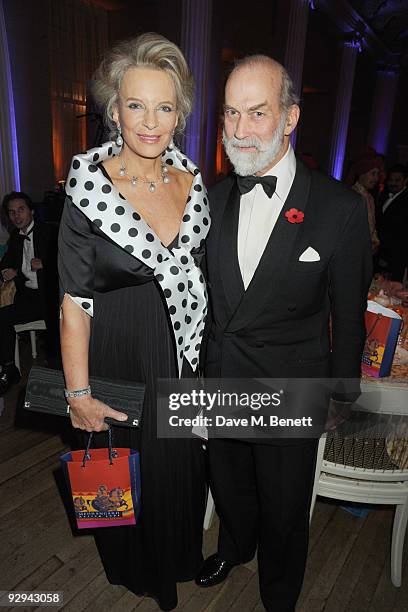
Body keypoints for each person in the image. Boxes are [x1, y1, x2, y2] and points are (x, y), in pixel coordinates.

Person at [197, 55, 372, 611]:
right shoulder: (213, 196)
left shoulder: (340, 207)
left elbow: (348, 313)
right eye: (231, 113)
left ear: (290, 117)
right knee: (228, 485)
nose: (240, 130)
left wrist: (342, 391)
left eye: (257, 113)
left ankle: (279, 593)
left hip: (290, 385)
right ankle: (234, 546)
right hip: (220, 378)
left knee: (284, 505)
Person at [58, 33, 210, 611]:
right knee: (122, 473)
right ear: (113, 109)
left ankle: (175, 559)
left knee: (177, 471)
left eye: (165, 107)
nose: (151, 122)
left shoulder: (193, 182)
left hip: (181, 356)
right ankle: (135, 568)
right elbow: (74, 299)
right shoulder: (89, 186)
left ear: (180, 114)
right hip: (117, 352)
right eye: (137, 105)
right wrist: (78, 392)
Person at [0, 191, 58, 394]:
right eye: (11, 212)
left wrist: (46, 264)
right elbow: (6, 260)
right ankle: (9, 368)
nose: (16, 216)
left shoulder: (50, 232)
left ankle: (58, 377)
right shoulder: (16, 237)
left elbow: (70, 262)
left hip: (52, 297)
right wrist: (6, 270)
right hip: (29, 298)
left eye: (21, 210)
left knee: (55, 338)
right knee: (2, 317)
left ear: (32, 211)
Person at [377, 164, 408, 281]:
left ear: (405, 181)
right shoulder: (385, 193)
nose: (393, 183)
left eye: (397, 180)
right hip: (382, 252)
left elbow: (401, 234)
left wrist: (386, 256)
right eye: (391, 180)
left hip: (395, 256)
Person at [350, 156, 381, 253]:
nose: (376, 178)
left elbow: (372, 224)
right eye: (373, 174)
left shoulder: (370, 197)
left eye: (378, 174)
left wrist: (375, 240)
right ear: (362, 174)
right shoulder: (351, 195)